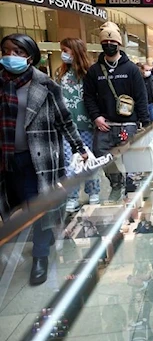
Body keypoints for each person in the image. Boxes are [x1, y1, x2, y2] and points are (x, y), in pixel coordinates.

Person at [1, 33, 87, 285]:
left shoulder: (46, 85)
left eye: (17, 52)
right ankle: (43, 237)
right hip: (7, 159)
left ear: (30, 56)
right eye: (6, 51)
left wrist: (80, 148)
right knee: (17, 205)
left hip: (39, 159)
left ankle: (40, 255)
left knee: (38, 206)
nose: (11, 57)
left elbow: (64, 120)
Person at [83, 22, 150, 202]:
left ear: (119, 44)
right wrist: (96, 116)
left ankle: (131, 183)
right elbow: (88, 96)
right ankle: (116, 183)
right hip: (105, 124)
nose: (109, 45)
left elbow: (141, 96)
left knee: (131, 156)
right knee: (101, 155)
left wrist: (146, 123)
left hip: (128, 123)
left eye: (113, 42)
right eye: (105, 42)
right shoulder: (94, 71)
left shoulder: (131, 70)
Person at [57, 37, 100, 212]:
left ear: (75, 51)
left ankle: (93, 192)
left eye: (66, 51)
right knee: (69, 162)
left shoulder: (90, 73)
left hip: (87, 124)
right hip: (67, 126)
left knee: (88, 159)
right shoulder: (61, 74)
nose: (63, 55)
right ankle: (72, 196)